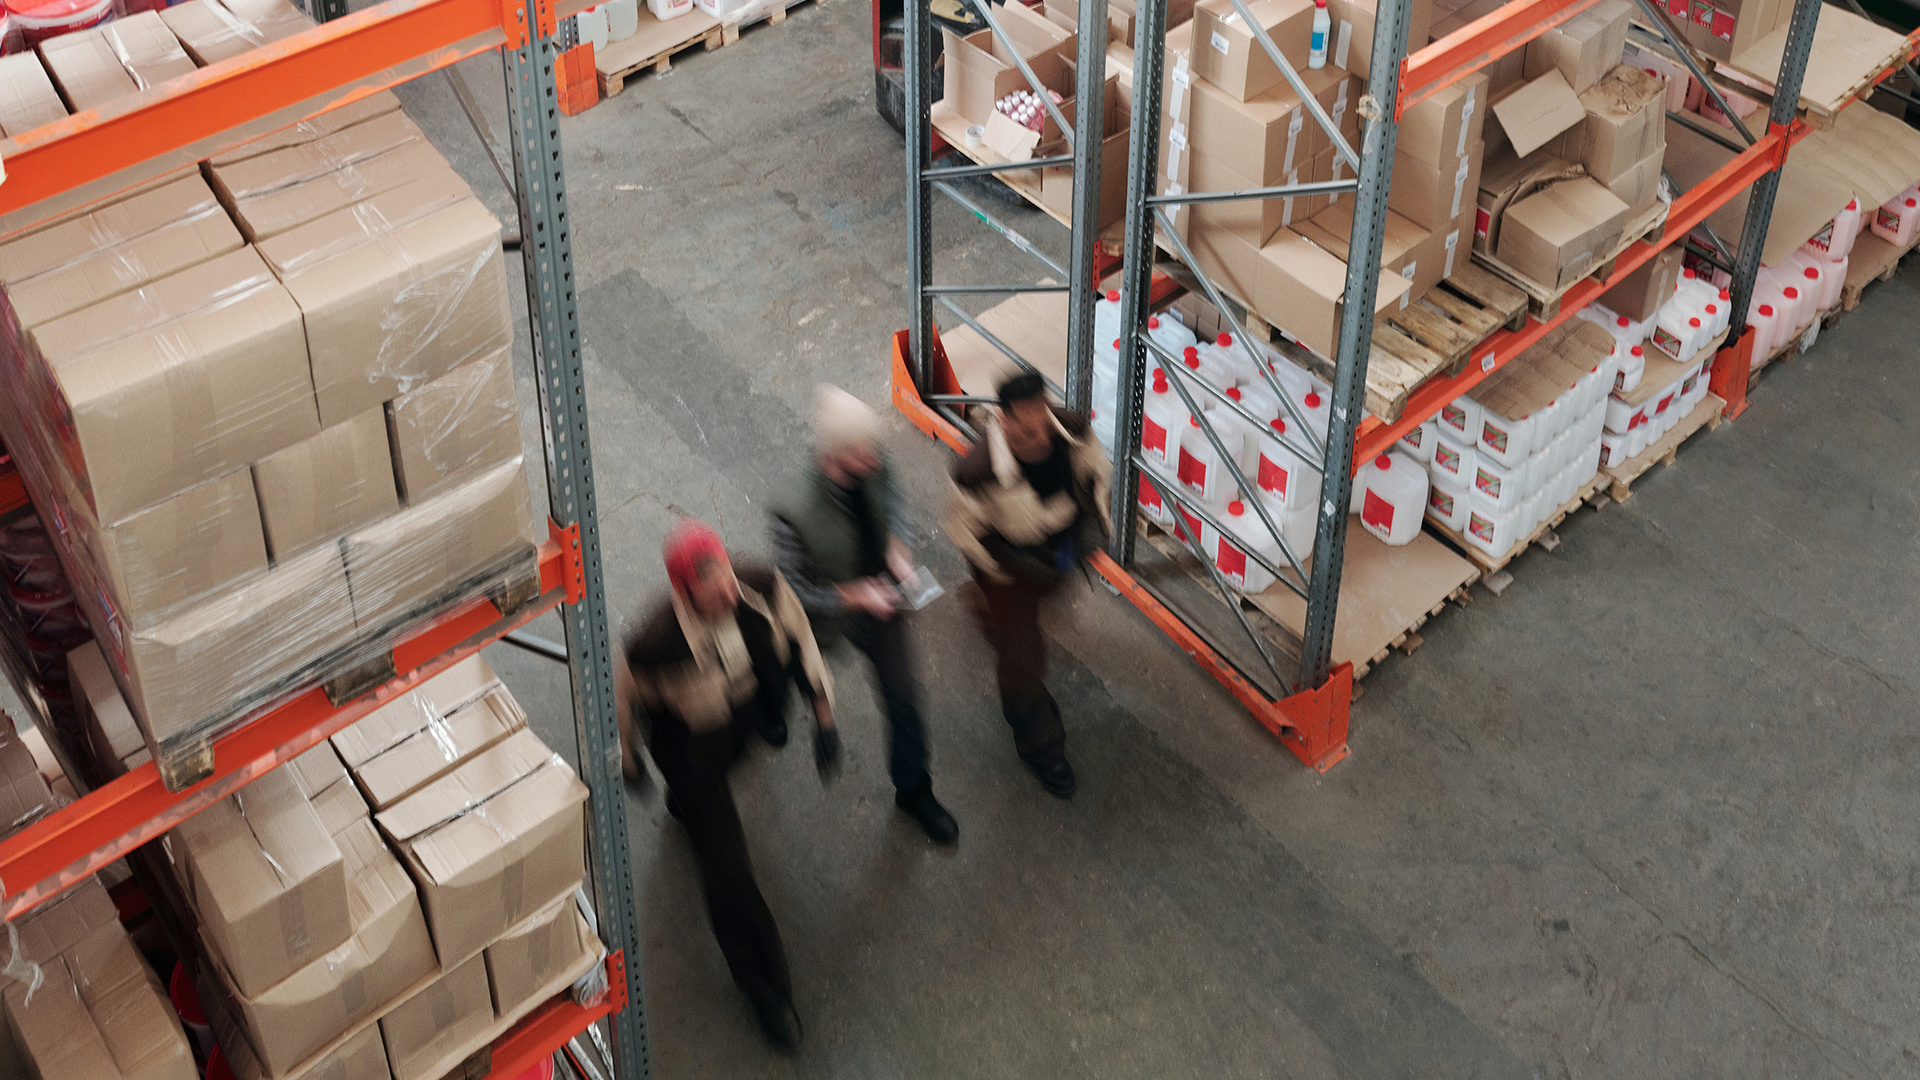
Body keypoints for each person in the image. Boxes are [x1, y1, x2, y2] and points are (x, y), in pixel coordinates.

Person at [612, 518, 838, 1051]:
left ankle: (688, 807)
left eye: (728, 581)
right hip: (692, 750)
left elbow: (800, 637)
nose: (729, 594)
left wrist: (824, 716)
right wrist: (629, 760)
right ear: (685, 593)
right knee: (728, 872)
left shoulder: (759, 584)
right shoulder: (655, 644)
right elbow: (622, 699)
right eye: (713, 591)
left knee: (740, 750)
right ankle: (766, 989)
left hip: (744, 716)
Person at [771, 385, 958, 845]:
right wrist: (851, 596)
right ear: (833, 457)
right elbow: (793, 590)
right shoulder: (791, 512)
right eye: (861, 454)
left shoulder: (875, 462)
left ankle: (913, 790)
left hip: (879, 597)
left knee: (903, 695)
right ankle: (770, 710)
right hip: (825, 612)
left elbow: (894, 505)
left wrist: (898, 548)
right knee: (788, 668)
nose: (874, 460)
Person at [943, 372, 1110, 798]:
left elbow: (1095, 467)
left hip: (1058, 554)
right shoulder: (977, 472)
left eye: (1044, 422)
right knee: (1023, 659)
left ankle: (989, 613)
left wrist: (1095, 516)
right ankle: (1041, 748)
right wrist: (996, 578)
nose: (1041, 437)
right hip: (1009, 567)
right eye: (1027, 430)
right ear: (1003, 420)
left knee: (1042, 605)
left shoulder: (1069, 428)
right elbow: (963, 530)